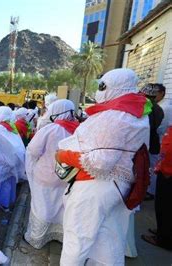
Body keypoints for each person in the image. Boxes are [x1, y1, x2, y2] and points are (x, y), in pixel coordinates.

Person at [56, 68, 150, 265]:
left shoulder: (116, 116)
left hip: (95, 184)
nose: (99, 91)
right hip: (114, 186)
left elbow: (100, 162)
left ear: (115, 87)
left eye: (102, 86)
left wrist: (63, 155)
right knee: (108, 241)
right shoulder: (135, 111)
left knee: (77, 240)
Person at [24, 99, 79, 249]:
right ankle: (59, 235)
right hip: (68, 177)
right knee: (61, 207)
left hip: (46, 175)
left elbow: (33, 150)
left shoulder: (50, 129)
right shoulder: (79, 130)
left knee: (42, 206)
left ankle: (37, 238)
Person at [141, 118, 172, 250]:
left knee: (164, 205)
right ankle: (163, 231)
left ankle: (164, 238)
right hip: (166, 168)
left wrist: (166, 169)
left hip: (168, 171)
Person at [140, 83, 164, 199]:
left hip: (144, 143)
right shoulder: (159, 109)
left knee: (145, 168)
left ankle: (148, 192)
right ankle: (149, 191)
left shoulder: (144, 107)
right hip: (153, 142)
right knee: (152, 168)